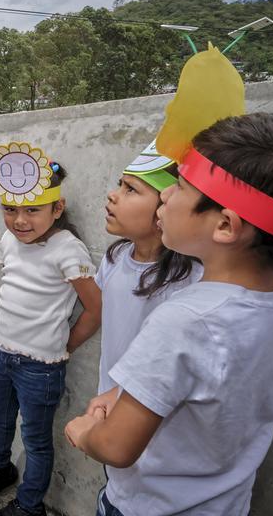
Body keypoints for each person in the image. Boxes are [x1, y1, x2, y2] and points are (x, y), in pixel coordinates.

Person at [65, 112, 273, 516]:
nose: (164, 197)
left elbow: (115, 447)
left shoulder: (185, 319)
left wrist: (85, 432)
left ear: (226, 226)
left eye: (178, 187)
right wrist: (120, 393)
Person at [0, 147, 101, 516]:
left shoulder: (67, 250)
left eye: (32, 210)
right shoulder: (9, 241)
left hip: (40, 366)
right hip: (0, 351)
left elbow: (96, 308)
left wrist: (63, 346)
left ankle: (29, 505)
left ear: (57, 208)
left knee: (37, 440)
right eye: (10, 209)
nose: (20, 220)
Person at [97, 142, 201, 395]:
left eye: (130, 189)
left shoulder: (192, 281)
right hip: (106, 398)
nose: (113, 194)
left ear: (166, 207)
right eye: (120, 184)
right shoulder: (114, 257)